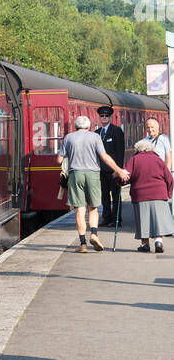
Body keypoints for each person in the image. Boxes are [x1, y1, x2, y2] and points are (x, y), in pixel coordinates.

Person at [57, 116, 129, 252]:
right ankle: (94, 234)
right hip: (93, 175)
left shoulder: (68, 138)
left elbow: (59, 159)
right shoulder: (95, 137)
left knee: (80, 209)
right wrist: (119, 170)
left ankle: (83, 244)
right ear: (89, 127)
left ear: (75, 126)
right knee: (93, 208)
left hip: (76, 174)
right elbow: (104, 156)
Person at [123, 138, 174, 253]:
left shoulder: (134, 159)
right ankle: (158, 242)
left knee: (143, 219)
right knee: (158, 219)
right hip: (159, 193)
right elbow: (169, 178)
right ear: (151, 149)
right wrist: (168, 193)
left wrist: (118, 181)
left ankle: (145, 244)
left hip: (140, 195)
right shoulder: (158, 159)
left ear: (137, 149)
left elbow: (126, 176)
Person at [95, 106, 125, 226]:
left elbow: (120, 152)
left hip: (113, 170)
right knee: (104, 196)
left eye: (106, 116)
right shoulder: (96, 133)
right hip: (101, 170)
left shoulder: (116, 131)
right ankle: (106, 218)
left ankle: (117, 219)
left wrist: (118, 169)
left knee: (116, 196)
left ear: (110, 117)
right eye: (102, 116)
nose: (104, 118)